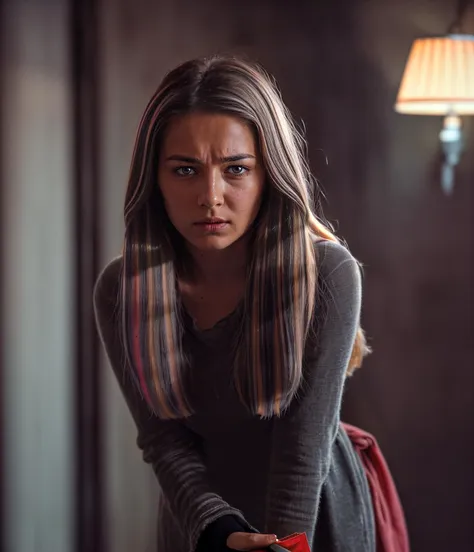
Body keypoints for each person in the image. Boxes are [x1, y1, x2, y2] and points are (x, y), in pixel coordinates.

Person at [94, 55, 376, 552]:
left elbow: (302, 453)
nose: (210, 196)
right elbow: (165, 443)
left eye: (236, 169)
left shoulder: (329, 274)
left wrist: (284, 547)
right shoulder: (122, 289)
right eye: (185, 170)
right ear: (154, 182)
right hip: (201, 525)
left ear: (269, 174)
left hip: (311, 518)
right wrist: (216, 531)